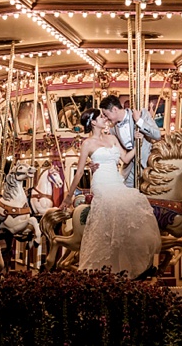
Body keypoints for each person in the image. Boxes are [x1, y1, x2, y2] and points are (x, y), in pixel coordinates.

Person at [61, 108, 160, 279]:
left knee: (134, 203)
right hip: (101, 182)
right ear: (93, 122)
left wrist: (139, 143)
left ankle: (135, 264)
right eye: (101, 117)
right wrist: (68, 198)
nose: (104, 118)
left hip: (116, 181)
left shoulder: (112, 138)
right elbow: (78, 173)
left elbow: (126, 158)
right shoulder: (87, 144)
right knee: (115, 207)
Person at [99, 94, 161, 188]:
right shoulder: (113, 129)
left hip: (147, 165)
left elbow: (157, 135)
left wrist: (139, 121)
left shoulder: (141, 113)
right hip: (129, 169)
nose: (107, 119)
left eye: (107, 115)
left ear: (115, 109)